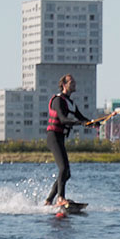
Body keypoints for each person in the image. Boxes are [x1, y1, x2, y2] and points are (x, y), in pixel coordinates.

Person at [43, 74, 98, 207]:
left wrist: (94, 122)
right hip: (53, 137)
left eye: (74, 82)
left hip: (60, 137)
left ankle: (48, 200)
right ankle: (60, 198)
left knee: (66, 173)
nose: (74, 85)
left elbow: (82, 118)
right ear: (64, 84)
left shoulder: (71, 103)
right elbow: (63, 119)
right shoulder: (58, 100)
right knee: (63, 169)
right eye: (71, 82)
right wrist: (80, 123)